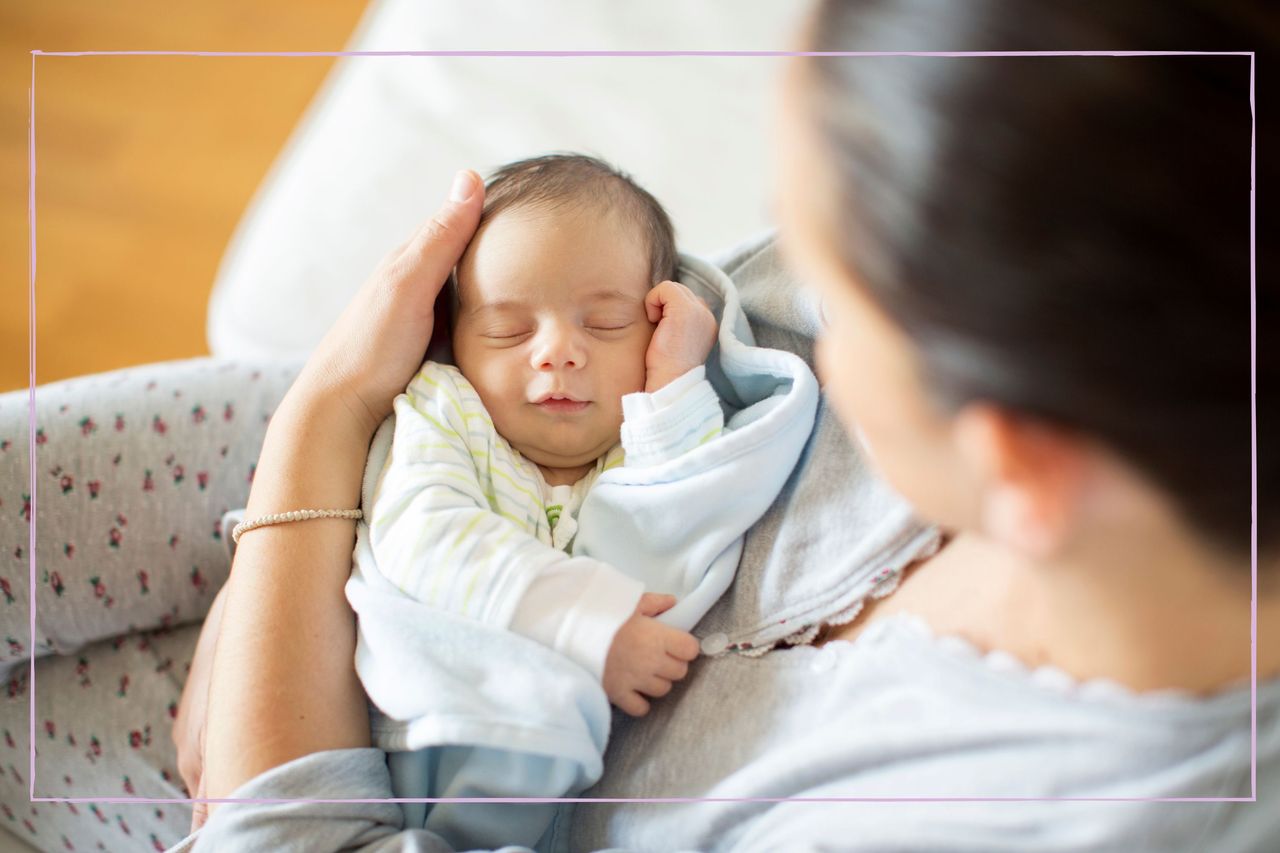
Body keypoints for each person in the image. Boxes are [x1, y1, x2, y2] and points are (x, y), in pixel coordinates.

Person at [171, 1, 1279, 850]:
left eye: (839, 302)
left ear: (1019, 468)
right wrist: (313, 484)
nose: (789, 307)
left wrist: (309, 461)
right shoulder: (1057, 272)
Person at [348, 153, 814, 848]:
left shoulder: (643, 437)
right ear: (451, 339)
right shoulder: (446, 411)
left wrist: (674, 383)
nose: (559, 352)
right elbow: (423, 533)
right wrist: (586, 623)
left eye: (604, 325)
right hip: (434, 727)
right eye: (508, 329)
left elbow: (678, 519)